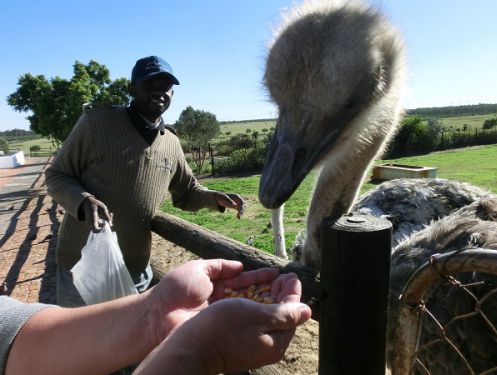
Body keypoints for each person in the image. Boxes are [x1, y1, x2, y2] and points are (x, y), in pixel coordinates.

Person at [45, 56, 245, 307]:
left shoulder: (170, 142)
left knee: (130, 345)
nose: (159, 92)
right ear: (131, 88)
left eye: (166, 87)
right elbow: (57, 175)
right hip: (82, 267)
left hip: (134, 271)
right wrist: (84, 202)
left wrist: (213, 197)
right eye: (150, 85)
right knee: (79, 343)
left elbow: (187, 192)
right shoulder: (97, 123)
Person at [1, 259, 312, 375]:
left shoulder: (167, 141)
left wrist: (155, 312)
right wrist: (198, 354)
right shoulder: (97, 124)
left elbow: (10, 337)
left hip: (137, 265)